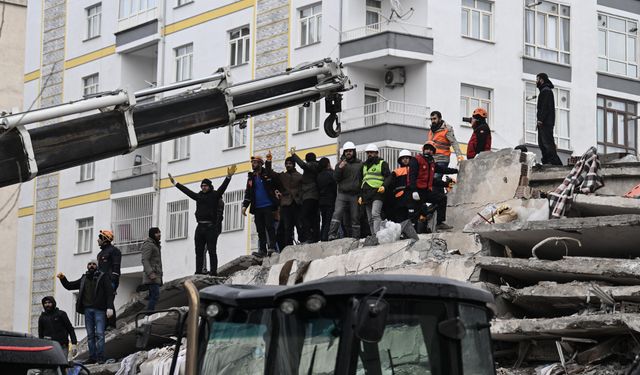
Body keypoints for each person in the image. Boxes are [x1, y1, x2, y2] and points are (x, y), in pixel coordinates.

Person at [169, 164, 237, 275]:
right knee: (199, 251)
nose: (203, 187)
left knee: (212, 251)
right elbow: (187, 191)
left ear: (209, 186)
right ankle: (198, 271)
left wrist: (228, 177)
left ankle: (213, 272)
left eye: (205, 186)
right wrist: (175, 183)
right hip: (200, 227)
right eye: (202, 186)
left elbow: (223, 188)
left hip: (211, 227)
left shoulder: (215, 195)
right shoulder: (199, 196)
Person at [57, 260, 115, 364]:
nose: (91, 266)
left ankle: (100, 358)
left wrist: (109, 307)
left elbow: (110, 293)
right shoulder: (84, 278)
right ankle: (92, 358)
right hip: (88, 310)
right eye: (90, 264)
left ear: (96, 266)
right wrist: (62, 278)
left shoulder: (103, 277)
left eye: (93, 264)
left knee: (100, 334)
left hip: (99, 310)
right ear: (87, 266)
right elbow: (70, 286)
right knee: (90, 335)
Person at [410, 142, 458, 232]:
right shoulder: (416, 159)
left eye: (431, 150)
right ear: (424, 149)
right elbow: (412, 176)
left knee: (442, 198)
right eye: (427, 149)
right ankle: (410, 233)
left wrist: (456, 171)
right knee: (415, 214)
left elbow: (442, 171)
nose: (429, 151)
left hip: (426, 192)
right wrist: (413, 191)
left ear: (433, 152)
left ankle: (439, 223)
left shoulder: (432, 163)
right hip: (417, 192)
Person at [242, 155, 282, 257]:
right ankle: (262, 250)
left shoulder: (266, 174)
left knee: (270, 227)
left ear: (260, 164)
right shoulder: (251, 178)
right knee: (260, 230)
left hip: (268, 205)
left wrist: (269, 161)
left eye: (255, 162)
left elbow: (270, 173)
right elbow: (248, 193)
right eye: (252, 162)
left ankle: (272, 248)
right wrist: (244, 206)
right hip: (257, 207)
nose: (253, 164)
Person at [266, 151, 303, 247]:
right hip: (286, 205)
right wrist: (269, 161)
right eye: (286, 164)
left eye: (290, 163)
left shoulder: (300, 176)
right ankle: (288, 246)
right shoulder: (282, 176)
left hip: (297, 204)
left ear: (294, 165)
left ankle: (302, 242)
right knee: (287, 227)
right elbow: (270, 173)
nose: (288, 165)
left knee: (300, 225)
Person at [328, 141, 362, 240]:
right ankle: (332, 235)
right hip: (342, 194)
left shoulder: (360, 164)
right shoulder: (340, 164)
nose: (348, 153)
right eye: (346, 151)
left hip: (355, 195)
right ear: (344, 152)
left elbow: (363, 178)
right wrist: (340, 168)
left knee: (355, 216)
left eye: (350, 151)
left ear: (354, 152)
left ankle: (356, 237)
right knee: (337, 213)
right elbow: (336, 178)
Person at [290, 148, 322, 243]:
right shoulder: (316, 166)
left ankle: (309, 237)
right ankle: (315, 237)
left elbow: (303, 165)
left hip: (310, 196)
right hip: (314, 196)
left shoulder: (312, 165)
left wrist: (294, 155)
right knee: (313, 217)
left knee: (303, 216)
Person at [359, 144, 391, 235]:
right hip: (366, 193)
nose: (369, 154)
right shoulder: (364, 166)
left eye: (372, 152)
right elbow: (362, 181)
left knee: (375, 214)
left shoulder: (382, 163)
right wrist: (360, 196)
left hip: (377, 192)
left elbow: (388, 177)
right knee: (369, 218)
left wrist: (384, 186)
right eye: (368, 153)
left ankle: (377, 235)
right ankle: (374, 236)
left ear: (376, 153)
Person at [389, 150, 420, 240]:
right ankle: (402, 234)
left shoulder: (415, 170)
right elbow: (391, 184)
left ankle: (414, 234)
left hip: (411, 197)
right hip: (399, 199)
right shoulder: (396, 171)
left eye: (407, 158)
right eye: (403, 158)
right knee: (400, 218)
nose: (405, 160)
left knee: (412, 216)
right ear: (400, 160)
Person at [427, 111, 464, 179]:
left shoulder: (447, 129)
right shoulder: (432, 130)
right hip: (433, 159)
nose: (432, 121)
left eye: (434, 118)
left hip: (442, 159)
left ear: (440, 118)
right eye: (431, 119)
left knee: (436, 178)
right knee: (433, 182)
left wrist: (459, 157)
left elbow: (454, 143)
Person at [536, 73, 563, 165]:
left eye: (537, 79)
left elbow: (545, 107)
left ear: (541, 80)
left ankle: (555, 163)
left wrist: (541, 119)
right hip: (544, 122)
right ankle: (547, 161)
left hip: (545, 123)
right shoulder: (544, 90)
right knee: (542, 143)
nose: (536, 82)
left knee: (547, 143)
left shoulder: (546, 91)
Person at [96, 230, 121, 329]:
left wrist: (114, 279)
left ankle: (111, 324)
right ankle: (105, 324)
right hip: (101, 281)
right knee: (103, 302)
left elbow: (116, 266)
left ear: (105, 240)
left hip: (111, 280)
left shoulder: (114, 251)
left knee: (109, 302)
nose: (98, 240)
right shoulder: (100, 253)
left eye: (100, 238)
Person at [140, 227, 162, 311]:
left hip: (156, 274)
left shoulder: (155, 244)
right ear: (152, 234)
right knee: (155, 295)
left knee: (153, 296)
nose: (159, 234)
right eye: (157, 233)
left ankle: (149, 313)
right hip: (152, 275)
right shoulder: (148, 244)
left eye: (159, 232)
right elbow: (145, 259)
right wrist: (150, 273)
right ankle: (149, 314)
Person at [317, 157, 337, 242]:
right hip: (330, 200)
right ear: (328, 164)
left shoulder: (319, 175)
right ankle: (325, 237)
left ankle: (322, 237)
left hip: (321, 201)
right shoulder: (331, 174)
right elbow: (334, 186)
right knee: (329, 220)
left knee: (324, 220)